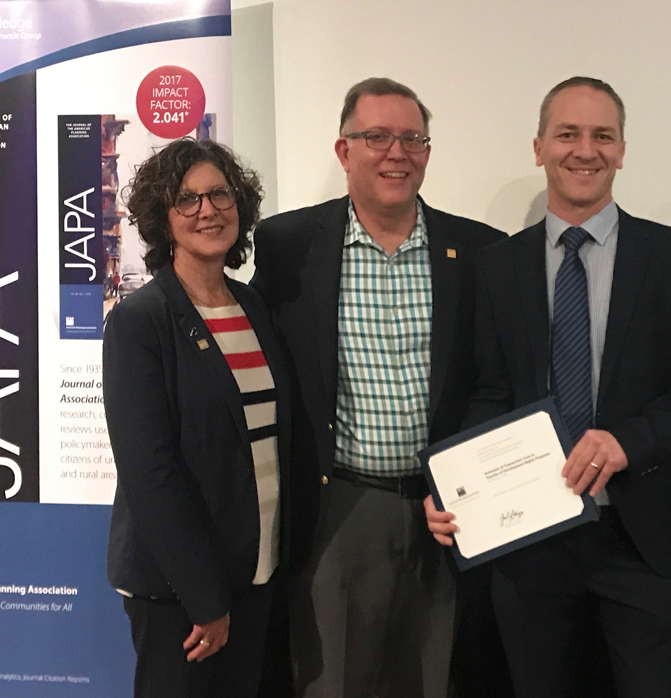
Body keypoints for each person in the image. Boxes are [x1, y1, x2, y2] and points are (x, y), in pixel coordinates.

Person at [427, 76, 671, 698]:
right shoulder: (498, 266)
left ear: (622, 150)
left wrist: (628, 442)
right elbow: (488, 391)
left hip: (642, 538)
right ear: (539, 147)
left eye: (602, 136)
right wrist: (454, 488)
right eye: (567, 134)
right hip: (530, 538)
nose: (584, 150)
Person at [250, 77, 506, 698]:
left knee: (436, 675)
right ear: (344, 151)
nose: (398, 152)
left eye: (413, 138)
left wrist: (466, 481)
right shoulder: (288, 246)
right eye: (377, 137)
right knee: (331, 679)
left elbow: (493, 381)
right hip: (338, 504)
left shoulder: (478, 251)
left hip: (446, 509)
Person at [103, 138, 292, 698]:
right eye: (186, 200)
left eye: (219, 195)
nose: (207, 210)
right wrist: (204, 598)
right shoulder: (141, 322)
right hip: (182, 594)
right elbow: (150, 473)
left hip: (257, 573)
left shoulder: (254, 307)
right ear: (163, 219)